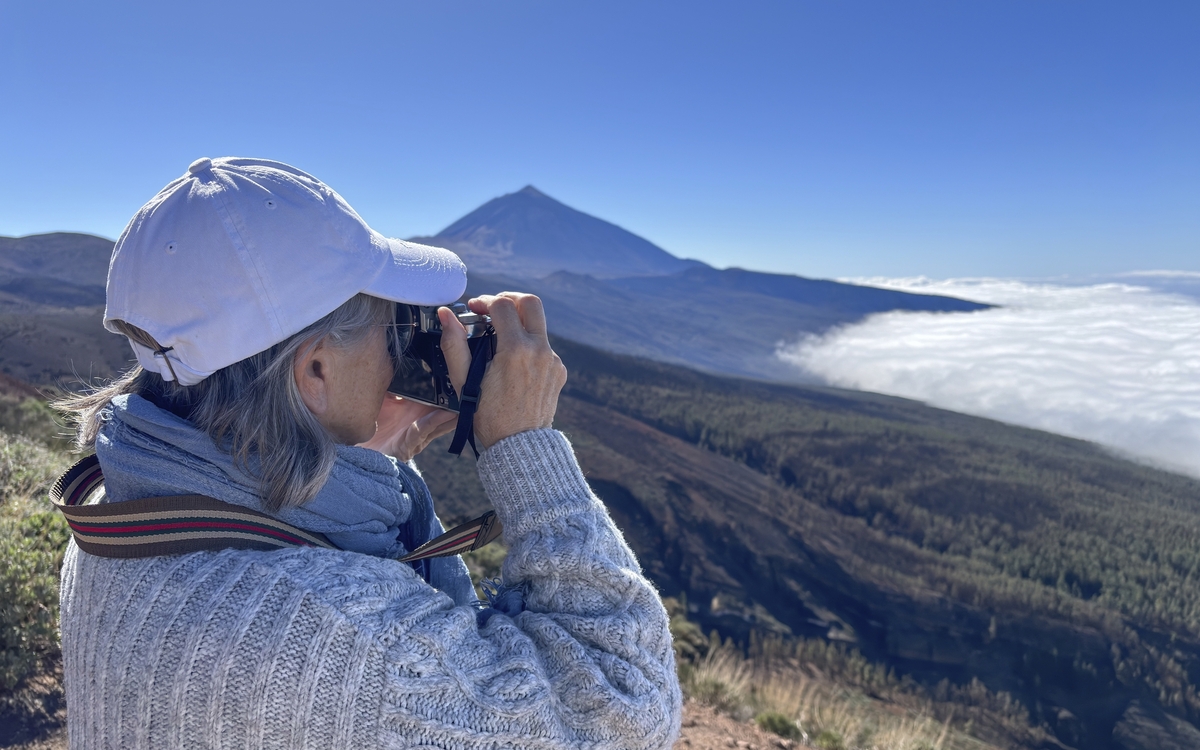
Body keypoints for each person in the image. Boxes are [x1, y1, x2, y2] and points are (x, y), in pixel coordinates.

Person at [56, 157, 682, 749]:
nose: (398, 354)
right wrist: (526, 449)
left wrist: (362, 467)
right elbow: (628, 708)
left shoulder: (120, 520)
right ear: (317, 371)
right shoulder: (345, 640)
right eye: (391, 328)